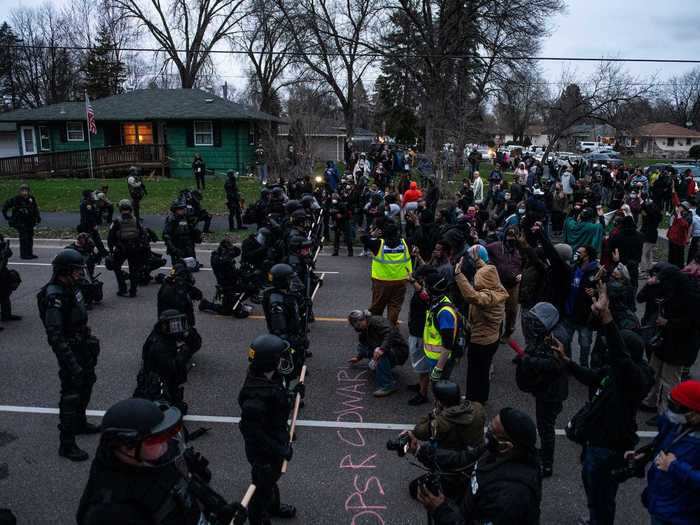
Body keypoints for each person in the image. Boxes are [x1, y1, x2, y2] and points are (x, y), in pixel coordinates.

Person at [552, 283, 654, 525]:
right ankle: (595, 518)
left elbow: (620, 355)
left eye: (612, 350)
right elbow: (592, 376)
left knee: (603, 496)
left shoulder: (634, 379)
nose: (607, 353)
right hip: (594, 443)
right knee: (593, 491)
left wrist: (607, 318)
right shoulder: (614, 372)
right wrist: (567, 361)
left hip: (609, 449)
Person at [77, 398, 245, 525]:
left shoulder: (156, 459)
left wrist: (218, 509)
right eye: (155, 440)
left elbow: (185, 484)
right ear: (127, 447)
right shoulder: (110, 513)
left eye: (166, 435)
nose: (165, 444)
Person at [417, 408, 542, 525]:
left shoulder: (511, 496)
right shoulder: (496, 449)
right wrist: (419, 451)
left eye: (492, 432)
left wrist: (440, 510)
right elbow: (463, 459)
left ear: (506, 446)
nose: (487, 434)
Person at [38, 249, 101, 461]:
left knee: (87, 383)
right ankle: (66, 444)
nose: (80, 273)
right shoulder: (54, 295)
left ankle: (80, 423)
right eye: (76, 270)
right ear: (65, 271)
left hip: (83, 345)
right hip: (69, 350)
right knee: (71, 394)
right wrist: (70, 363)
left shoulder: (73, 287)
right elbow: (55, 335)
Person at [239, 334, 299, 525]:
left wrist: (294, 394)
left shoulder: (269, 376)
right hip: (263, 452)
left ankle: (273, 507)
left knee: (271, 480)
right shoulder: (255, 400)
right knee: (261, 489)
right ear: (269, 362)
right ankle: (259, 520)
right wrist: (279, 448)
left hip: (274, 438)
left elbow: (278, 402)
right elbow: (251, 432)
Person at [640, 264, 700, 420]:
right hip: (662, 340)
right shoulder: (668, 287)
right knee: (653, 373)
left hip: (680, 345)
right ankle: (650, 401)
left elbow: (693, 323)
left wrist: (668, 323)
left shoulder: (691, 295)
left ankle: (666, 413)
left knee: (669, 380)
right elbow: (641, 297)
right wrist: (649, 284)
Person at [517, 302, 568, 478]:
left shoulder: (556, 338)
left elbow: (554, 365)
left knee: (546, 428)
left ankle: (547, 465)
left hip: (551, 393)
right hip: (547, 390)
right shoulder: (550, 332)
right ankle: (545, 456)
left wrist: (528, 361)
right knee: (544, 426)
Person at [640, 380, 700, 525]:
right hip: (662, 503)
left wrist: (674, 466)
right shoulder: (678, 424)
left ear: (694, 413)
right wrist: (645, 454)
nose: (670, 410)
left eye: (676, 406)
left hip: (681, 516)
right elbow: (663, 446)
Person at [455, 245, 508, 403]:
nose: (475, 282)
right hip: (490, 338)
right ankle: (481, 398)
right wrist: (476, 259)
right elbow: (485, 268)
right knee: (483, 371)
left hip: (481, 340)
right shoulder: (496, 286)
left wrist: (459, 275)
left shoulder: (487, 296)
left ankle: (473, 400)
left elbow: (473, 297)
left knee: (475, 371)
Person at [133, 309, 192, 415]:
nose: (178, 328)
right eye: (174, 324)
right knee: (173, 412)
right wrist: (183, 353)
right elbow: (172, 367)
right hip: (156, 386)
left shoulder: (164, 336)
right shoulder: (159, 345)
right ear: (164, 326)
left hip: (165, 381)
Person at [262, 264, 310, 378]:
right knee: (291, 361)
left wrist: (304, 303)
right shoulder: (276, 302)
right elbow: (280, 330)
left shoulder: (285, 294)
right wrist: (295, 341)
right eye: (290, 279)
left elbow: (295, 308)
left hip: (293, 329)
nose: (292, 282)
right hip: (287, 336)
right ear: (282, 281)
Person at [347, 309, 408, 397]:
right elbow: (365, 344)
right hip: (385, 347)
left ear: (362, 320)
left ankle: (387, 385)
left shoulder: (377, 321)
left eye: (357, 325)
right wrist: (358, 357)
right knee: (362, 347)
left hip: (398, 350)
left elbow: (390, 333)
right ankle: (382, 367)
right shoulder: (364, 330)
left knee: (380, 355)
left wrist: (382, 349)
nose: (357, 328)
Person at [363, 219, 412, 326]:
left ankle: (376, 327)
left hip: (381, 282)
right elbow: (418, 236)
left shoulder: (378, 243)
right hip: (400, 281)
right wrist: (416, 223)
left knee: (377, 306)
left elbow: (364, 239)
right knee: (394, 306)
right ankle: (390, 328)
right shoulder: (405, 243)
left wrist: (372, 234)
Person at [157, 258, 203, 366]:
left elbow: (197, 294)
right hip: (176, 324)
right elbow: (197, 294)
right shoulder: (180, 287)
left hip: (162, 322)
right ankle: (180, 359)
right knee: (195, 341)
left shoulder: (167, 283)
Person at [562, 244, 599, 367]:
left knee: (585, 344)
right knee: (565, 341)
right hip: (569, 314)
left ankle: (584, 367)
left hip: (584, 318)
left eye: (579, 252)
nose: (576, 254)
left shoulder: (596, 271)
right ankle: (568, 364)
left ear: (587, 256)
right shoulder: (573, 268)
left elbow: (605, 290)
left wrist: (596, 292)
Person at [487, 225, 522, 343]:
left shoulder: (522, 249)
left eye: (513, 236)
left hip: (513, 286)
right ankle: (497, 331)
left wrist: (523, 274)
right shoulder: (495, 246)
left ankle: (508, 332)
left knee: (512, 311)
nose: (510, 238)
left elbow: (530, 263)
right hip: (498, 284)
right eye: (508, 235)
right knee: (497, 309)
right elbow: (482, 251)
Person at [107, 199, 145, 298]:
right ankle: (133, 291)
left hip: (121, 248)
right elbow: (142, 234)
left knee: (116, 267)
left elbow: (110, 237)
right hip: (134, 248)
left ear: (120, 209)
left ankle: (122, 288)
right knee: (134, 270)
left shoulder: (116, 221)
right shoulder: (136, 220)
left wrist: (111, 250)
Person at [2, 184, 40, 259]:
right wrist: (7, 216)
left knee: (30, 238)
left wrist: (38, 217)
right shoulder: (16, 199)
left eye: (26, 190)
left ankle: (30, 253)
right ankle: (24, 254)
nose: (24, 192)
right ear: (20, 192)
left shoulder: (31, 198)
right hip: (20, 222)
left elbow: (35, 208)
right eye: (23, 190)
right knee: (24, 238)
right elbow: (5, 206)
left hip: (29, 222)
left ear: (28, 191)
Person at [163, 200, 201, 267]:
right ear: (175, 210)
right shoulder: (172, 219)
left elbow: (191, 230)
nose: (183, 210)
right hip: (177, 245)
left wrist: (197, 236)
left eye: (183, 208)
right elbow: (166, 235)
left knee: (192, 266)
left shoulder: (186, 218)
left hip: (188, 245)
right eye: (180, 209)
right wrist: (173, 249)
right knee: (179, 268)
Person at [0, 233, 21, 325]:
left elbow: (9, 254)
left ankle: (6, 315)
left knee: (5, 292)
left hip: (2, 270)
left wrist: (5, 249)